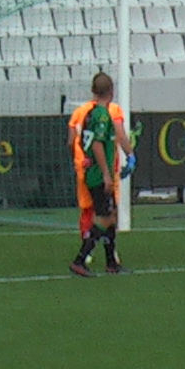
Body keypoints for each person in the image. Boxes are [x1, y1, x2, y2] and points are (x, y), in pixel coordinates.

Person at [66, 72, 133, 262]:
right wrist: (129, 157)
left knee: (91, 210)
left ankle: (109, 260)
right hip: (102, 170)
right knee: (106, 214)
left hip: (83, 166)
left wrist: (81, 158)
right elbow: (111, 139)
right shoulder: (108, 112)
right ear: (111, 91)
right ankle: (84, 255)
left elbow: (71, 142)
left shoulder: (81, 112)